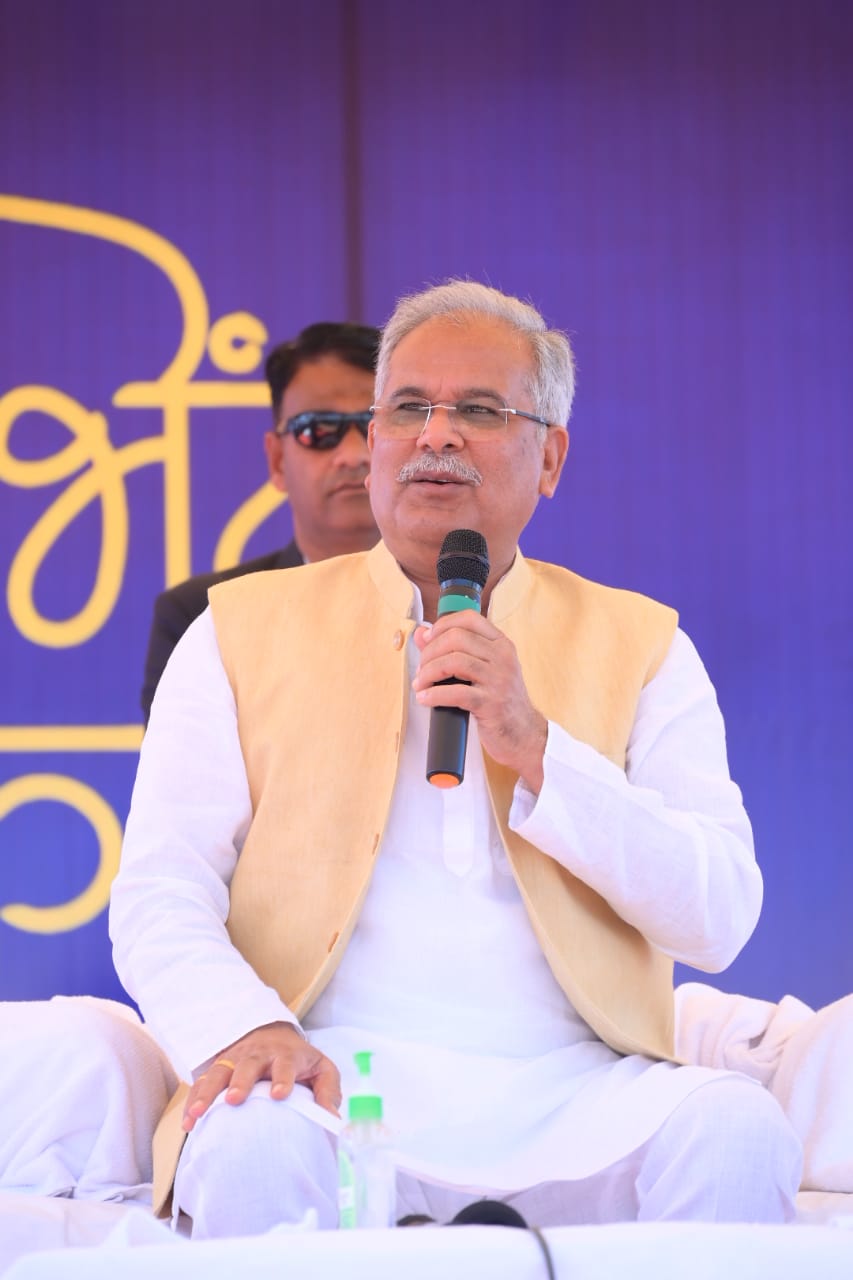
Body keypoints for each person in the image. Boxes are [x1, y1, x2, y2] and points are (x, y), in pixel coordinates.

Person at [110, 280, 802, 1237]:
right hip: (327, 1078)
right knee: (249, 1142)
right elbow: (160, 891)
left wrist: (541, 750)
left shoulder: (643, 645)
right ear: (377, 440)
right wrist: (248, 1028)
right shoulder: (234, 631)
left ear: (549, 457)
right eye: (406, 408)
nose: (434, 436)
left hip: (578, 1088)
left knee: (737, 1131)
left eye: (478, 411)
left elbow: (717, 916)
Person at [140, 321, 380, 722]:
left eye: (376, 428)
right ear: (277, 461)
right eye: (319, 430)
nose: (354, 454)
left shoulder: (465, 601)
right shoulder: (203, 615)